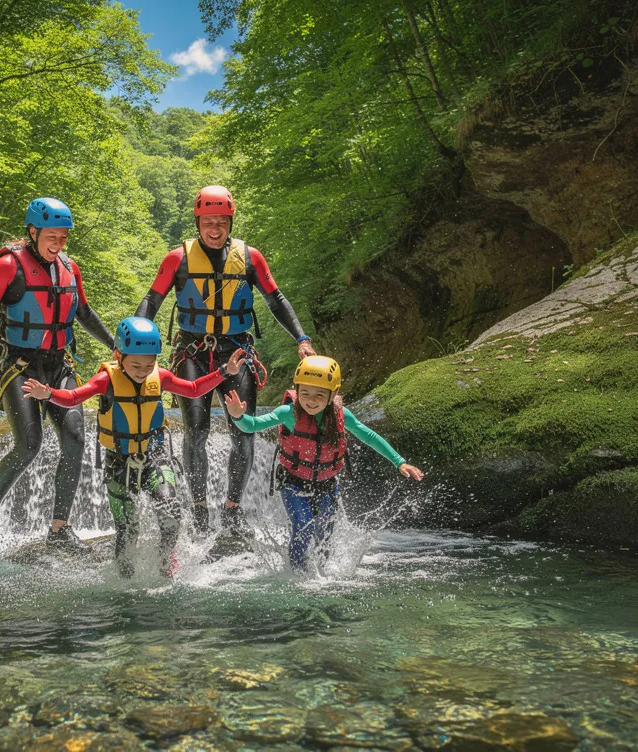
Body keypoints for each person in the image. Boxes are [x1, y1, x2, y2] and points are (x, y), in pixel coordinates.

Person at [135, 185, 315, 537]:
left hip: (236, 353)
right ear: (197, 222)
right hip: (193, 354)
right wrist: (132, 344)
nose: (214, 229)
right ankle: (200, 508)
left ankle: (233, 510)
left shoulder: (250, 258)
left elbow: (276, 299)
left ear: (230, 222)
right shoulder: (177, 259)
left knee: (243, 431)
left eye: (220, 222)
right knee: (197, 431)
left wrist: (302, 339)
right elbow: (151, 302)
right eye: (207, 222)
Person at [23, 317, 249, 577]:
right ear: (119, 355)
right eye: (136, 365)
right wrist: (49, 394)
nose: (143, 371)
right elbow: (75, 396)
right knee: (127, 532)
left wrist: (224, 372)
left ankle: (166, 565)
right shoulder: (105, 380)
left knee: (171, 512)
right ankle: (124, 583)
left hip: (155, 456)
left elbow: (195, 389)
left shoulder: (160, 376)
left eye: (149, 364)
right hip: (118, 462)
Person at [0, 197, 114, 556]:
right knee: (29, 446)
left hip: (59, 366)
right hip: (20, 365)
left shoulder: (71, 269)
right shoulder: (8, 267)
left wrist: (115, 345)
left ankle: (59, 529)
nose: (58, 245)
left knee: (75, 440)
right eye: (51, 237)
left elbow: (84, 313)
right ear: (33, 232)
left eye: (63, 238)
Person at [224, 356, 424, 571]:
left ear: (333, 394)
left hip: (327, 483)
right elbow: (252, 425)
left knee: (325, 532)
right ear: (297, 390)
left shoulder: (341, 415)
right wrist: (238, 416)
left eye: (319, 395)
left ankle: (323, 573)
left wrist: (399, 462)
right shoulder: (288, 413)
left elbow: (369, 436)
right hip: (293, 482)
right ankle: (299, 577)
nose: (311, 400)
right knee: (303, 526)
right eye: (305, 393)